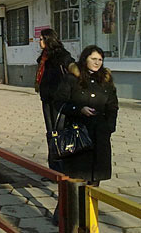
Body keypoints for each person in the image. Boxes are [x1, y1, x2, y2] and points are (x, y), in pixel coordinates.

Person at [55, 45, 119, 186]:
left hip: (99, 135)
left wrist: (109, 126)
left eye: (100, 59)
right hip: (78, 135)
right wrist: (79, 109)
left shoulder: (105, 80)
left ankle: (90, 207)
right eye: (93, 59)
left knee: (95, 180)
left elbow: (113, 105)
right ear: (85, 59)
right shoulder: (72, 79)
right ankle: (68, 208)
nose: (97, 62)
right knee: (75, 181)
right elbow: (59, 102)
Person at [35, 28, 74, 173]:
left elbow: (71, 70)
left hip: (59, 100)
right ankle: (53, 169)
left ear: (48, 39)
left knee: (60, 133)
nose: (39, 41)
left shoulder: (61, 55)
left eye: (41, 39)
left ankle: (63, 168)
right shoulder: (44, 57)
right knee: (50, 133)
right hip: (46, 99)